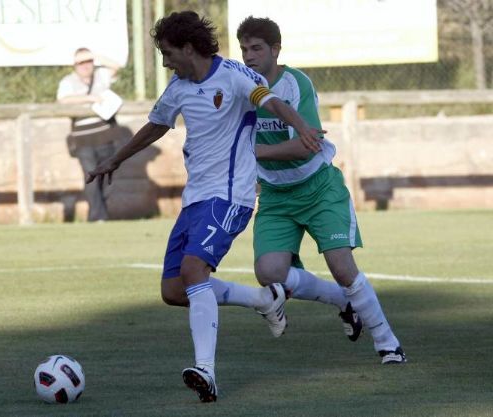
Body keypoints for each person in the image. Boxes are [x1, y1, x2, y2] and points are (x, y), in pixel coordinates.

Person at [86, 11, 324, 403]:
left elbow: (273, 102)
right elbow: (157, 124)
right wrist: (116, 159)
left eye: (167, 53)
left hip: (231, 195)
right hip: (195, 199)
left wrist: (301, 126)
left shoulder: (234, 75)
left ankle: (206, 372)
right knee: (174, 290)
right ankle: (265, 300)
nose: (165, 63)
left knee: (194, 269)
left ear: (189, 48)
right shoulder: (179, 86)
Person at [236, 16, 406, 364]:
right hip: (275, 195)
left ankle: (388, 343)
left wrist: (255, 153)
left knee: (342, 267)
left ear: (275, 50)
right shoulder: (241, 86)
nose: (249, 56)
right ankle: (342, 301)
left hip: (318, 189)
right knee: (269, 273)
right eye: (244, 49)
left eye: (256, 48)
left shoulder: (295, 83)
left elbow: (308, 144)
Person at [57, 47, 121, 222]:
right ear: (74, 65)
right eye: (80, 62)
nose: (85, 66)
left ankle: (102, 214)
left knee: (107, 178)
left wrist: (95, 56)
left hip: (105, 136)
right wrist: (90, 98)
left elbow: (116, 66)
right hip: (83, 139)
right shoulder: (67, 82)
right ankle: (96, 217)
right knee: (91, 177)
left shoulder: (101, 75)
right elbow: (63, 100)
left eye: (88, 61)